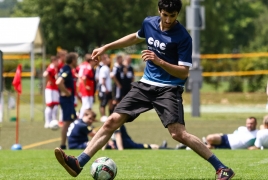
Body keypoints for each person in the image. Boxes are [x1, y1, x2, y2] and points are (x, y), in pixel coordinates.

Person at [54, 1, 235, 179]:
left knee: (178, 134)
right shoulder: (149, 23)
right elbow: (135, 37)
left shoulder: (183, 37)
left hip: (169, 89)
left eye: (172, 16)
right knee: (111, 121)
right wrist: (106, 47)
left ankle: (221, 168)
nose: (168, 19)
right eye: (165, 15)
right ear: (159, 10)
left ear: (178, 14)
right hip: (145, 85)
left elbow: (183, 73)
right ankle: (78, 163)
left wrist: (159, 61)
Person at [56, 52, 78, 150]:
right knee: (67, 122)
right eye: (76, 59)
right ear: (73, 60)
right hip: (66, 100)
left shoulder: (67, 69)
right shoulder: (67, 69)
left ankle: (74, 142)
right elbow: (59, 82)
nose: (77, 61)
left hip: (69, 100)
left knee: (73, 120)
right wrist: (66, 92)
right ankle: (63, 145)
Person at [78, 54, 96, 119]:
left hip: (85, 89)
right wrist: (86, 86)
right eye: (94, 60)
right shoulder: (88, 67)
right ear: (90, 61)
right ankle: (81, 118)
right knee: (86, 106)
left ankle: (83, 118)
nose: (95, 62)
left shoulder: (83, 65)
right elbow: (84, 77)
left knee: (86, 105)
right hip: (87, 89)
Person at [43, 56, 59, 128]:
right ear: (53, 61)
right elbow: (45, 74)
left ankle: (52, 121)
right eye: (57, 61)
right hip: (50, 89)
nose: (58, 62)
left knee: (54, 105)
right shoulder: (51, 67)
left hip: (54, 88)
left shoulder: (55, 68)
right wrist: (49, 81)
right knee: (50, 105)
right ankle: (47, 122)